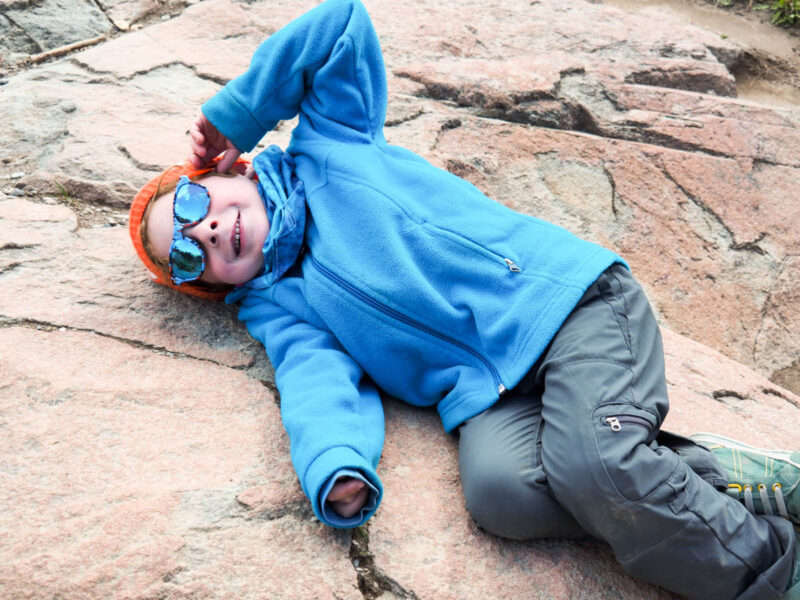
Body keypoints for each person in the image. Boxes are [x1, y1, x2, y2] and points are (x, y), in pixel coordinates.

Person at [127, 0, 800, 597]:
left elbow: (340, 24)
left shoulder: (330, 144)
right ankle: (709, 475)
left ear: (228, 172)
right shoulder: (279, 302)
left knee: (597, 465)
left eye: (193, 203)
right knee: (501, 498)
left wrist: (237, 115)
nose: (207, 230)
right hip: (490, 398)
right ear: (217, 284)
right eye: (190, 255)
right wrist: (335, 465)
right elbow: (315, 385)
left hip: (570, 310)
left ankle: (774, 570)